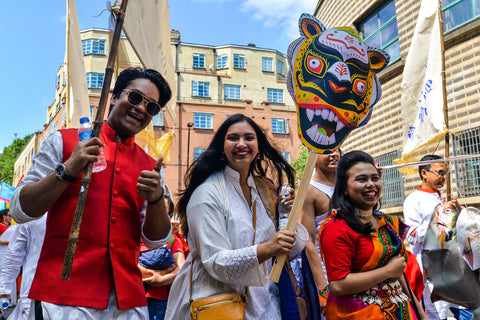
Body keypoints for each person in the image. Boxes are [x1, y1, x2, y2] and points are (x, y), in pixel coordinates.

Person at [10, 67, 172, 320]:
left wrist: (155, 200)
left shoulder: (152, 167)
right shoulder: (62, 141)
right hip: (63, 297)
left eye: (152, 107)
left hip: (127, 301)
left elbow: (155, 242)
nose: (141, 109)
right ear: (114, 97)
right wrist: (68, 169)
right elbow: (20, 211)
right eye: (136, 98)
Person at [164, 113, 309, 320]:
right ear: (222, 148)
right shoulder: (207, 194)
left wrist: (287, 214)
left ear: (258, 147)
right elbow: (216, 261)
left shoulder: (265, 190)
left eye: (249, 138)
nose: (242, 144)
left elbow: (289, 252)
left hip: (266, 306)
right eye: (233, 138)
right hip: (216, 305)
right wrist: (268, 248)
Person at [320, 150, 427, 319]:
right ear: (345, 188)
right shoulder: (336, 228)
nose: (371, 184)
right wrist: (387, 271)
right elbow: (338, 285)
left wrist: (421, 313)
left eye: (374, 178)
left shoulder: (388, 222)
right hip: (357, 313)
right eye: (361, 179)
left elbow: (399, 273)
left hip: (401, 310)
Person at [403, 155, 471, 320]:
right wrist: (439, 220)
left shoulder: (446, 197)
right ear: (425, 173)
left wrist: (458, 210)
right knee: (438, 314)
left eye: (445, 173)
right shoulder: (413, 200)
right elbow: (411, 235)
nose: (443, 177)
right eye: (440, 172)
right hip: (432, 267)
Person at [300, 150, 340, 315]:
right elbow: (307, 240)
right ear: (312, 155)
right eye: (326, 151)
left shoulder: (348, 183)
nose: (333, 154)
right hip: (327, 271)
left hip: (354, 270)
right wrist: (322, 286)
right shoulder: (307, 190)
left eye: (336, 149)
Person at [0, 215, 47, 320]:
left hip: (74, 299)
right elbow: (14, 255)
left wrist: (3, 288)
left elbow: (14, 254)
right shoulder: (33, 215)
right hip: (34, 295)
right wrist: (3, 288)